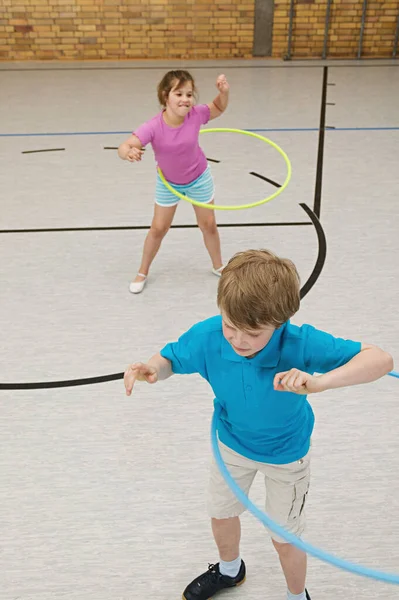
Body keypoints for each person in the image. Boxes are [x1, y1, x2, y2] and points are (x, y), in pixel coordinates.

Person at [123, 249, 393, 600]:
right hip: (231, 445)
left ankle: (297, 596)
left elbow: (381, 360)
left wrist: (320, 382)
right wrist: (152, 370)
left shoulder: (301, 342)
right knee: (221, 515)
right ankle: (230, 571)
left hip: (286, 456)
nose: (237, 340)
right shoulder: (209, 336)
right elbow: (171, 357)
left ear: (279, 323)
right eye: (230, 326)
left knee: (285, 538)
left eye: (252, 332)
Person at [118, 69, 229, 294]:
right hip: (169, 183)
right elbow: (125, 145)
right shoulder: (153, 127)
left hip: (199, 178)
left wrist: (224, 92)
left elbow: (218, 107)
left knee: (208, 225)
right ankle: (142, 271)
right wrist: (128, 153)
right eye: (179, 94)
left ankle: (219, 266)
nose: (185, 100)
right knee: (158, 229)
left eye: (189, 95)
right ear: (165, 95)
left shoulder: (196, 115)